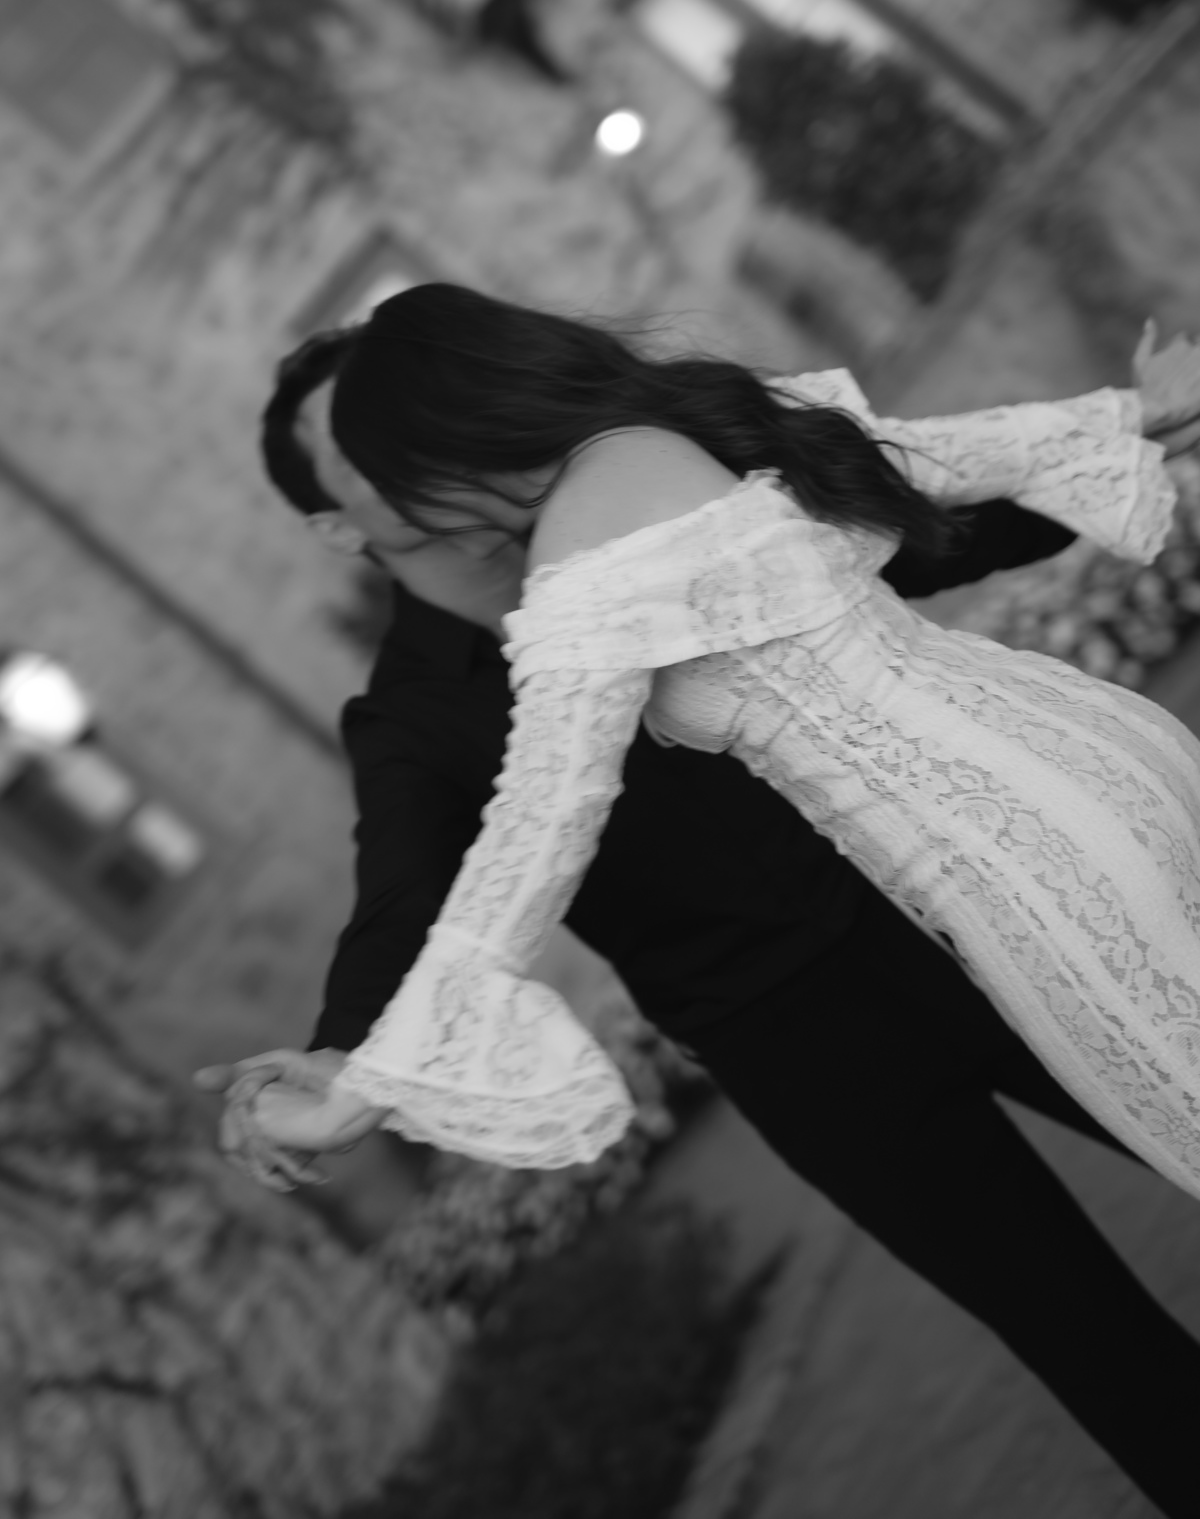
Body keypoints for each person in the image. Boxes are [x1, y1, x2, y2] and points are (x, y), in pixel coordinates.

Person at [197, 311, 1200, 1516]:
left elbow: (535, 836)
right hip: (886, 956)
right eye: (355, 452)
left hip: (971, 892)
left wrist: (360, 1094)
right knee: (1080, 1321)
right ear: (341, 516)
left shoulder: (584, 571)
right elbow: (403, 894)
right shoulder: (683, 434)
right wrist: (1134, 416)